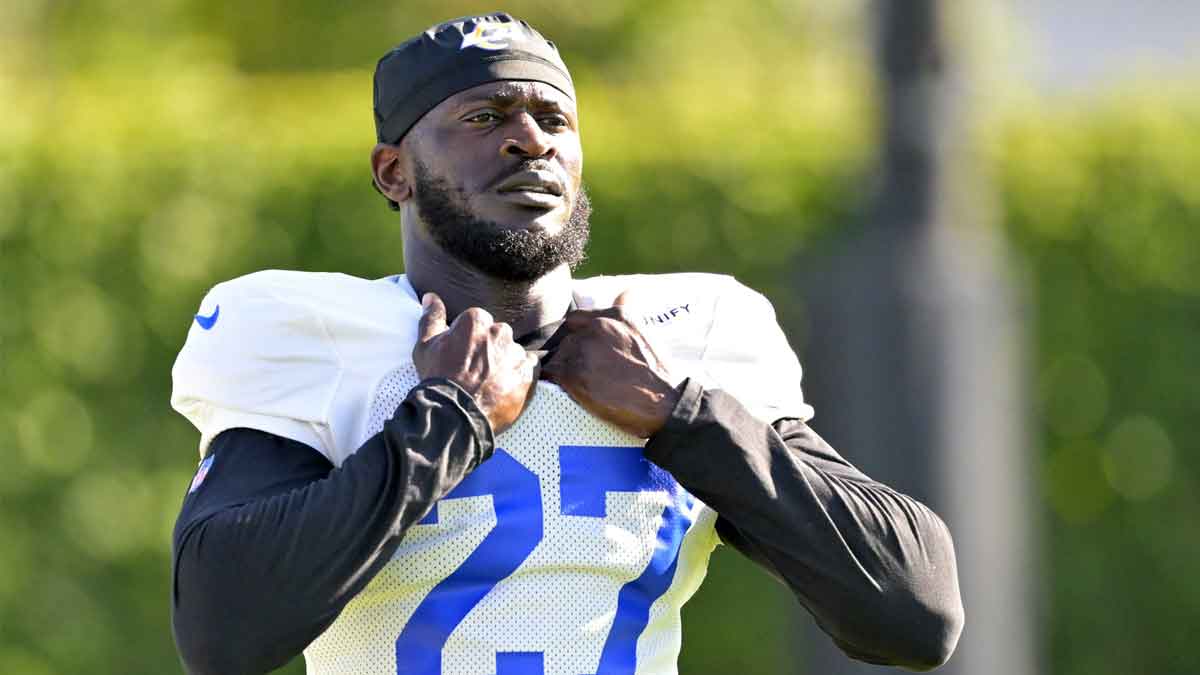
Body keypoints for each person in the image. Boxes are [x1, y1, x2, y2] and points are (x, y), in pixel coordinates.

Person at [169, 12, 963, 675]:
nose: (529, 140)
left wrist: (683, 417)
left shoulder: (686, 340)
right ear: (393, 172)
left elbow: (916, 610)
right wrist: (446, 421)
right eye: (484, 117)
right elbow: (222, 630)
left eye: (553, 119)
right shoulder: (319, 333)